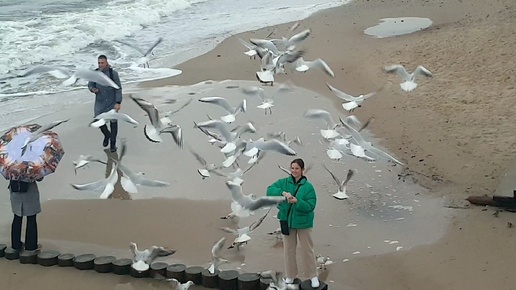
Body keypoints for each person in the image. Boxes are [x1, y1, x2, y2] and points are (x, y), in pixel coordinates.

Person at [266, 158, 320, 288]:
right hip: (287, 221)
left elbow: (310, 206)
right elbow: (269, 190)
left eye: (297, 168)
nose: (294, 171)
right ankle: (291, 275)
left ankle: (312, 276)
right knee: (288, 250)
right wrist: (282, 193)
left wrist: (297, 201)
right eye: (292, 168)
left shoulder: (308, 187)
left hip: (303, 223)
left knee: (307, 250)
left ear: (302, 170)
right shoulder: (284, 182)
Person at [88, 54, 123, 152]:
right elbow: (90, 85)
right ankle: (107, 134)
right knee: (98, 120)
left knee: (113, 122)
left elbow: (118, 88)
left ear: (106, 62)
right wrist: (92, 89)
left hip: (112, 102)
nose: (100, 65)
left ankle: (113, 143)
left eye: (102, 63)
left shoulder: (113, 74)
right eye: (99, 63)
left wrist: (118, 102)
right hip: (100, 102)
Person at [8, 178, 43, 253]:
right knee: (31, 219)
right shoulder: (31, 166)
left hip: (15, 191)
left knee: (17, 217)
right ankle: (31, 246)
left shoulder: (12, 166)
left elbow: (8, 176)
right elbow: (39, 178)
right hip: (30, 192)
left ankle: (15, 245)